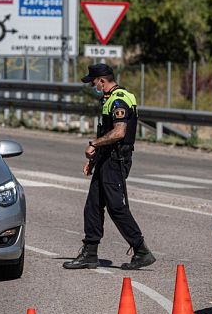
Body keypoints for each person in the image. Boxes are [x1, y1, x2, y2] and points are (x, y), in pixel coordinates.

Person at [63, 63, 156, 270]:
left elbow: (119, 132)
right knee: (93, 205)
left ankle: (141, 250)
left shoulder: (119, 99)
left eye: (94, 82)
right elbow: (108, 134)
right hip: (106, 159)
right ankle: (90, 253)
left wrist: (93, 144)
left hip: (115, 161)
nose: (93, 86)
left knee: (116, 207)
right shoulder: (110, 99)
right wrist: (93, 161)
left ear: (102, 81)